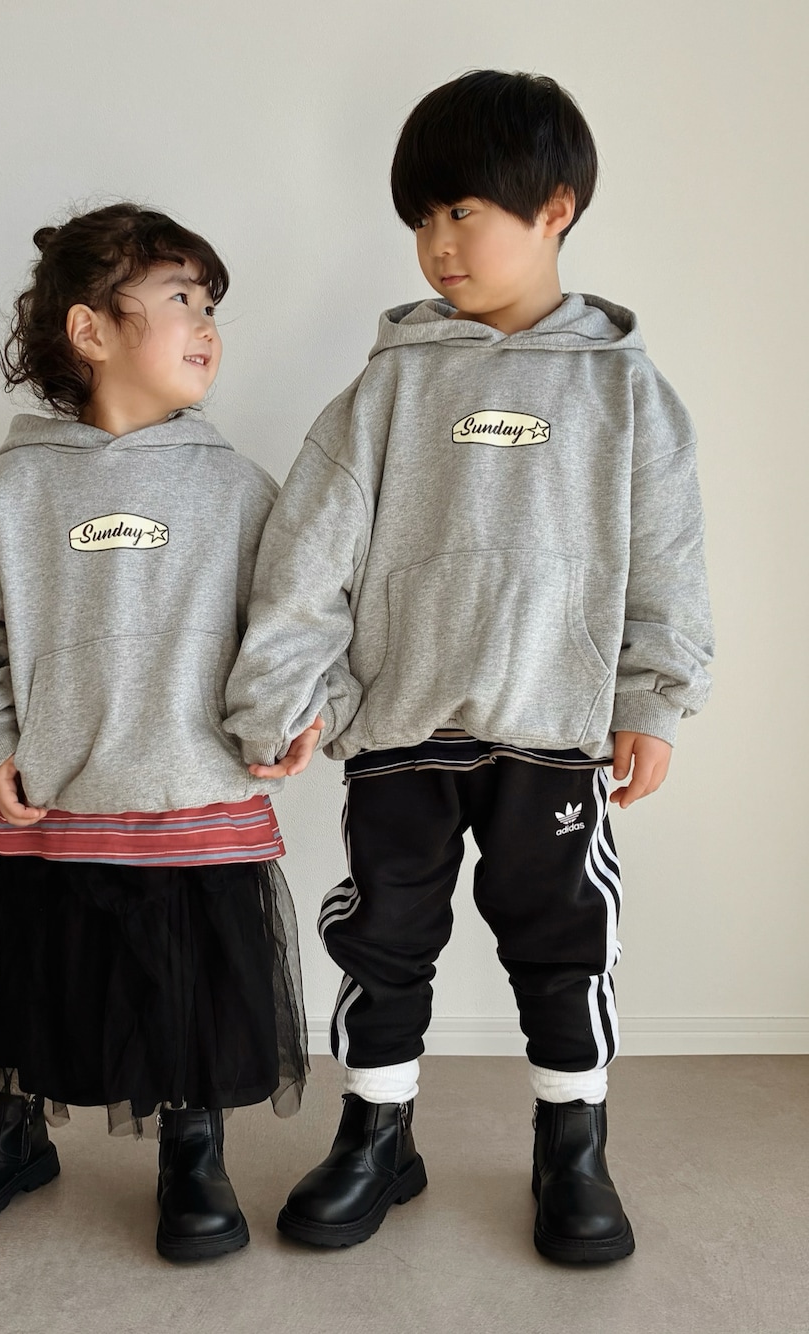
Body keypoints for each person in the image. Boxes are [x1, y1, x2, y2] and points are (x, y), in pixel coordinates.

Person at [223, 70, 713, 1263]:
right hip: (404, 730)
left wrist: (652, 697)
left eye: (461, 212)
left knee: (563, 941)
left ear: (554, 208)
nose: (436, 244)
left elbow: (668, 558)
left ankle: (572, 1146)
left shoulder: (628, 391)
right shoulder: (388, 386)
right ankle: (376, 1132)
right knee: (383, 936)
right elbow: (308, 556)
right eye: (420, 218)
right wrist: (287, 696)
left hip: (555, 726)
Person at [0, 203, 308, 1261]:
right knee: (40, 976)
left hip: (198, 803)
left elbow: (301, 619)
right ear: (91, 329)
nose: (206, 323)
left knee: (191, 989)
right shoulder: (13, 488)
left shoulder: (241, 489)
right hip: (59, 805)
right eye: (179, 298)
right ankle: (9, 1130)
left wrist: (301, 710)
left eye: (210, 304)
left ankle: (193, 1147)